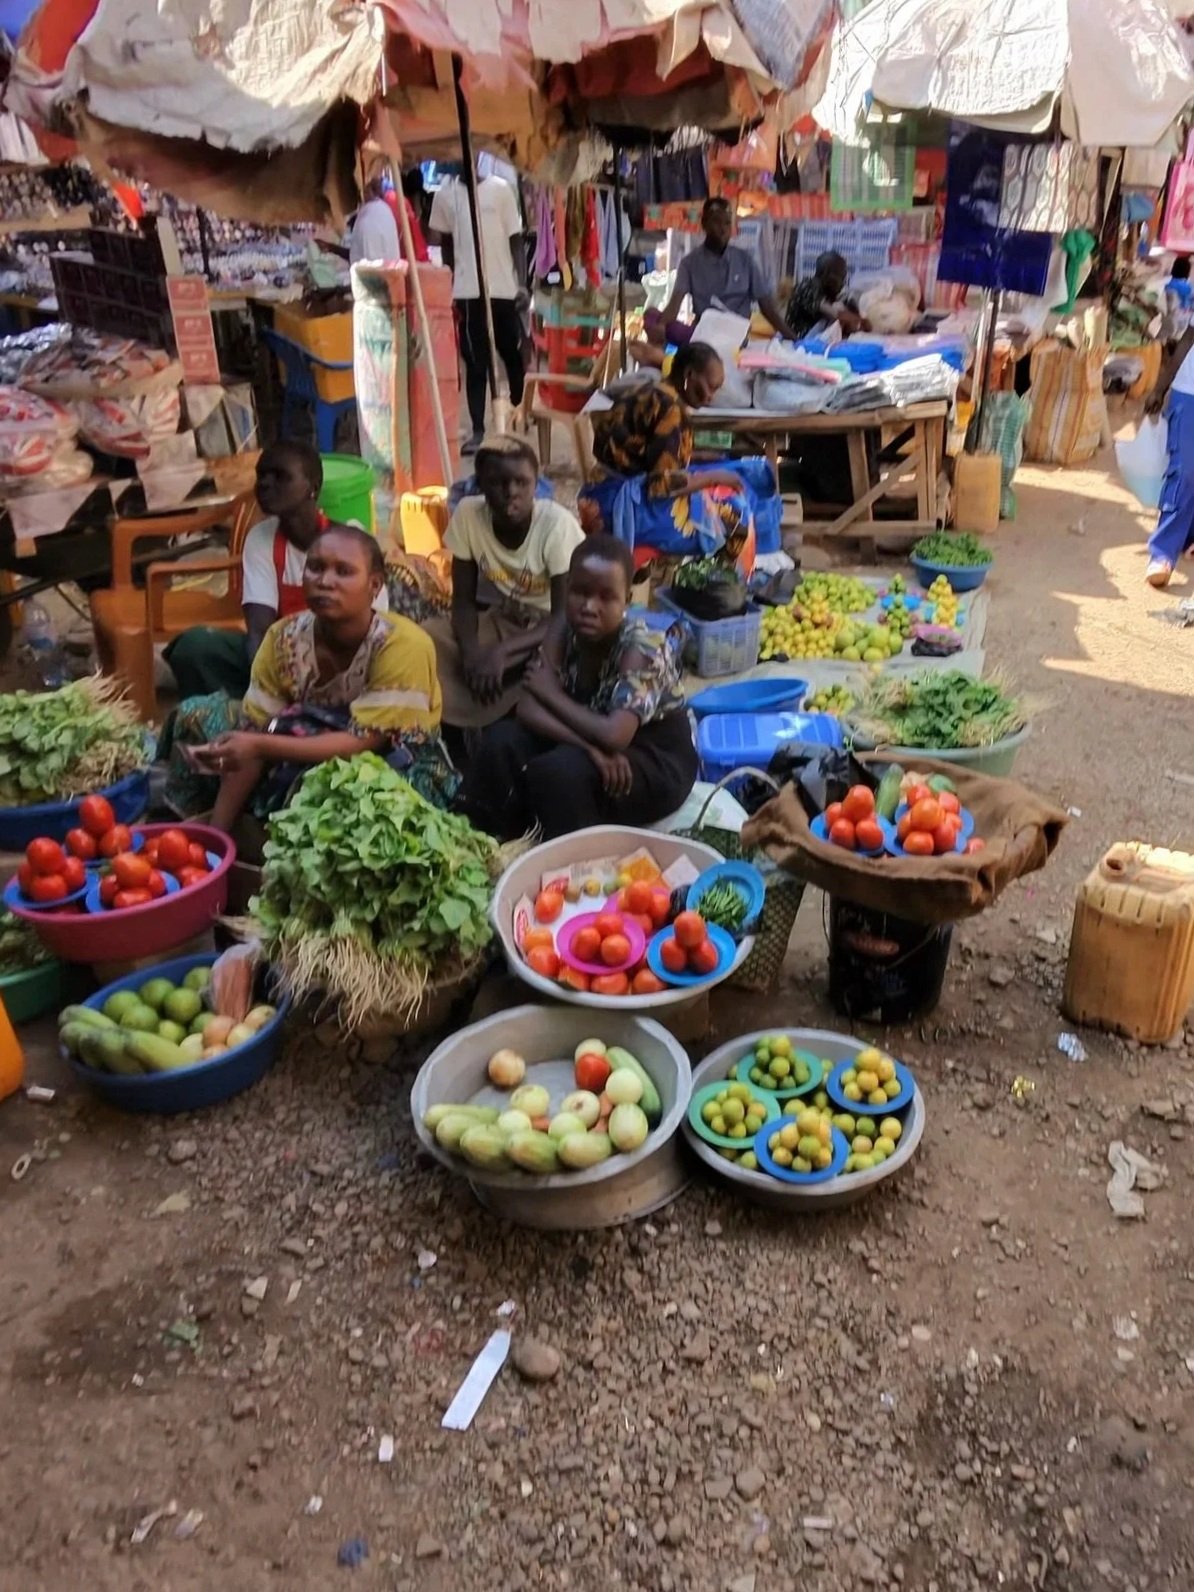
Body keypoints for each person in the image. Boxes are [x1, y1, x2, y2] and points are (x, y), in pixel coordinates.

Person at [173, 526, 453, 845]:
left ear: (374, 586)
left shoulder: (403, 645)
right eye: (315, 567)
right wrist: (215, 842)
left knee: (346, 798)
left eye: (343, 571)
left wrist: (260, 747)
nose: (324, 581)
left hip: (397, 758)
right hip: (299, 741)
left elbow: (366, 741)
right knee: (201, 718)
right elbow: (255, 732)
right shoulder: (283, 638)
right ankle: (216, 835)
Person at [459, 536, 697, 840]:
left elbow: (615, 735)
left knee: (559, 772)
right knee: (502, 741)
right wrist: (591, 749)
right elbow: (527, 710)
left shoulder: (642, 648)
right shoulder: (562, 627)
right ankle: (483, 840)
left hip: (653, 756)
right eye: (580, 592)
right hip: (591, 735)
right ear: (567, 588)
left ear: (626, 600)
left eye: (605, 597)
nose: (589, 607)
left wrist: (549, 692)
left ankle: (572, 865)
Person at [164, 443, 385, 701]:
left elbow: (373, 631)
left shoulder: (354, 543)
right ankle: (235, 716)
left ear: (312, 487)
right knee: (195, 647)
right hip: (281, 660)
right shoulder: (261, 538)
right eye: (262, 476)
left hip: (343, 662)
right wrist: (269, 689)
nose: (265, 484)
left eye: (280, 476)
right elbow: (259, 632)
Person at [424, 434, 583, 732]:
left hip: (550, 628)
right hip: (508, 617)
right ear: (481, 484)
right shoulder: (469, 516)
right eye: (499, 483)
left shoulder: (556, 526)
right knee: (427, 638)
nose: (511, 492)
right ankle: (467, 703)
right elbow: (463, 600)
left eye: (522, 482)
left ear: (536, 484)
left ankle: (498, 697)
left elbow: (565, 615)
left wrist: (501, 653)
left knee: (544, 670)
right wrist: (471, 654)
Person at [580, 341, 757, 561]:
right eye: (709, 387)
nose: (711, 396)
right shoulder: (672, 412)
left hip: (596, 491)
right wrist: (714, 477)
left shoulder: (651, 386)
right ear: (689, 374)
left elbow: (646, 449)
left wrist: (697, 458)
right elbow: (661, 486)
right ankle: (710, 582)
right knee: (735, 516)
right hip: (618, 509)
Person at [429, 166, 526, 454]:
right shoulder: (445, 195)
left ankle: (519, 413)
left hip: (504, 290)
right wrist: (452, 278)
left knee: (512, 354)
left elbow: (516, 240)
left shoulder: (501, 189)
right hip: (468, 293)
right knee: (475, 363)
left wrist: (522, 284)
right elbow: (443, 240)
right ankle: (478, 430)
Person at [656, 198, 789, 338]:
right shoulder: (689, 264)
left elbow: (767, 307)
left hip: (738, 337)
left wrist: (792, 338)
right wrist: (658, 327)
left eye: (727, 223)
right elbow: (674, 306)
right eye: (716, 222)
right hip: (705, 338)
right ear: (704, 224)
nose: (723, 229)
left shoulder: (745, 261)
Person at [1143, 324, 1194, 586]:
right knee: (1184, 470)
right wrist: (1160, 388)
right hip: (1190, 392)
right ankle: (1162, 552)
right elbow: (1189, 337)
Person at [786, 251, 869, 340]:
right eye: (841, 276)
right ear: (827, 274)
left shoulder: (828, 291)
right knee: (839, 310)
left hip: (812, 336)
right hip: (798, 337)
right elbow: (836, 314)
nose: (843, 283)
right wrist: (860, 320)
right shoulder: (807, 286)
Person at [348, 177, 401, 265]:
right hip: (390, 271)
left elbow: (368, 262)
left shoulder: (367, 219)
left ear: (365, 191)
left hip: (374, 273)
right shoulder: (384, 209)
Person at [1161, 256, 1193, 355]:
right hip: (1180, 322)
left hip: (1164, 318)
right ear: (1187, 272)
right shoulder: (1187, 288)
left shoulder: (1166, 283)